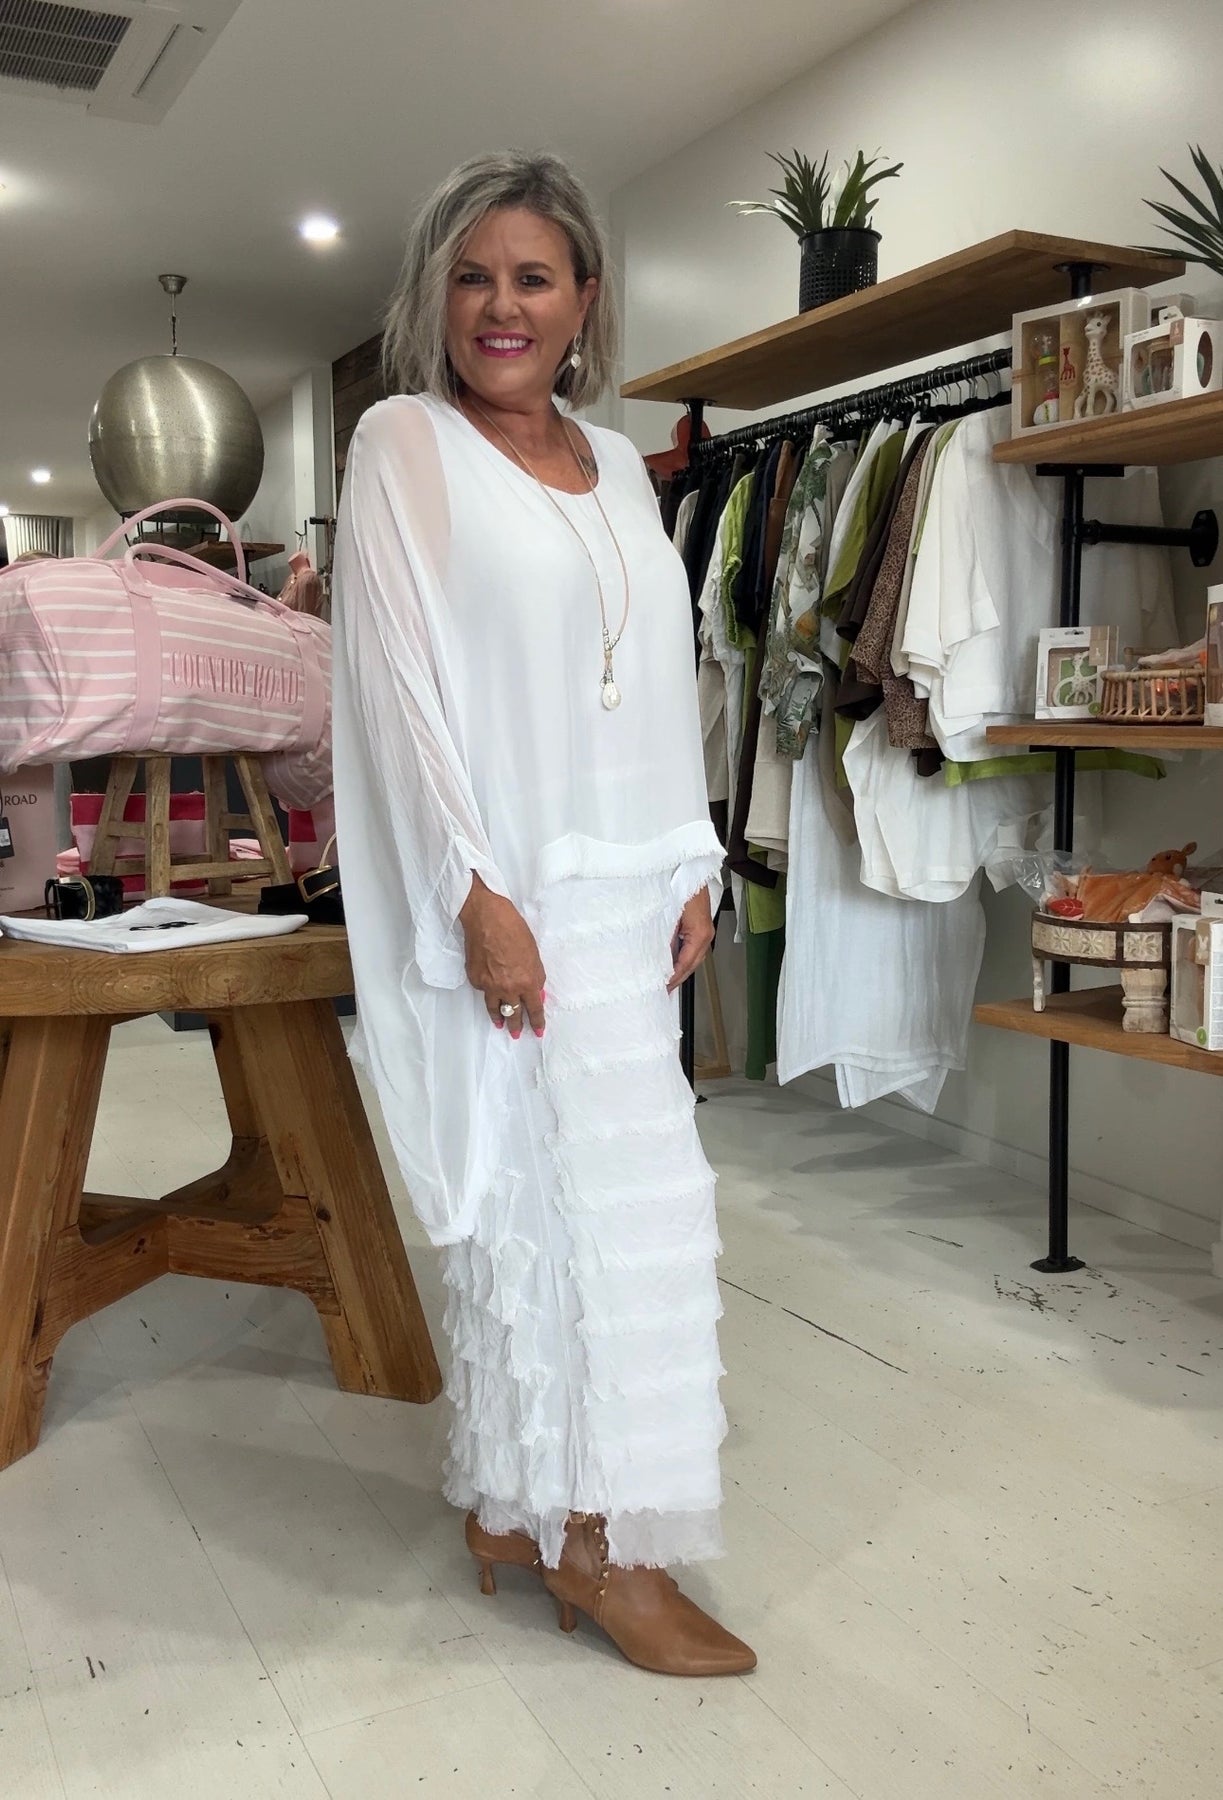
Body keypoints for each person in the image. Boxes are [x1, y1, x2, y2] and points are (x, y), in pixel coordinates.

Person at [331, 150, 754, 1678]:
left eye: (532, 277)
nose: (500, 306)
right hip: (517, 898)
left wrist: (695, 856)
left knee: (593, 1217)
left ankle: (521, 1512)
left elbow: (659, 675)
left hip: (631, 897)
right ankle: (601, 1547)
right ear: (434, 297)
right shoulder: (405, 442)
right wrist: (472, 891)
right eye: (471, 277)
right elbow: (396, 689)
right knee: (580, 1225)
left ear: (586, 300)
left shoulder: (624, 463)